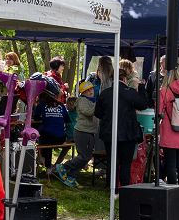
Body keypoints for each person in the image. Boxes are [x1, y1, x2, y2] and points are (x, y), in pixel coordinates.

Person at [55, 57, 111, 187]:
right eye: (88, 90)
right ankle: (64, 167)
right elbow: (89, 112)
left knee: (86, 156)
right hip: (81, 132)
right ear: (83, 93)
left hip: (90, 132)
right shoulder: (82, 101)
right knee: (84, 156)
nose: (91, 91)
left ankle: (71, 175)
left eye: (91, 89)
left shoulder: (92, 100)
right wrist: (99, 104)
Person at [96, 59, 150, 189]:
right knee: (126, 162)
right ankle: (124, 187)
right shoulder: (130, 92)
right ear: (125, 79)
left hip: (109, 132)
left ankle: (110, 186)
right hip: (128, 133)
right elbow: (143, 105)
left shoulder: (104, 93)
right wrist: (141, 87)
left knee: (112, 161)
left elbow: (97, 113)